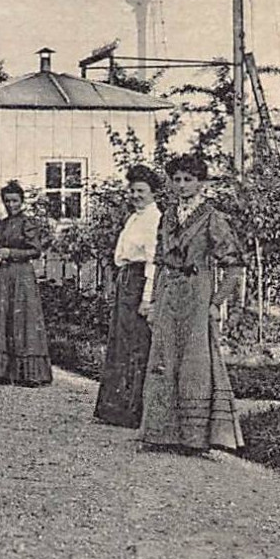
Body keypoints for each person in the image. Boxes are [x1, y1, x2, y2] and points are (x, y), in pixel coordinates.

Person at [139, 154, 246, 451]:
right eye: (177, 180)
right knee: (163, 359)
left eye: (189, 180)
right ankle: (161, 433)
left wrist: (216, 302)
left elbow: (234, 266)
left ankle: (195, 437)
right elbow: (159, 260)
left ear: (201, 183)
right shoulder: (168, 216)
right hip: (170, 291)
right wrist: (152, 300)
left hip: (198, 293)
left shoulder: (213, 218)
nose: (182, 185)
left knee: (195, 362)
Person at [94, 164, 162, 426]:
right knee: (120, 344)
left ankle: (132, 410)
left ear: (153, 193)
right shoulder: (134, 218)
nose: (135, 195)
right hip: (126, 281)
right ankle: (115, 408)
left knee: (136, 346)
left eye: (141, 191)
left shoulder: (154, 220)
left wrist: (147, 299)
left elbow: (152, 263)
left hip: (139, 283)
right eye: (132, 190)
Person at [0, 179, 52, 385]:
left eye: (14, 201)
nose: (11, 205)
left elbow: (35, 250)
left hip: (22, 277)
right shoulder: (0, 224)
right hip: (3, 277)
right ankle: (0, 372)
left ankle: (28, 374)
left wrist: (11, 252)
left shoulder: (27, 223)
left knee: (23, 321)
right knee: (0, 320)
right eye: (7, 201)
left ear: (21, 201)